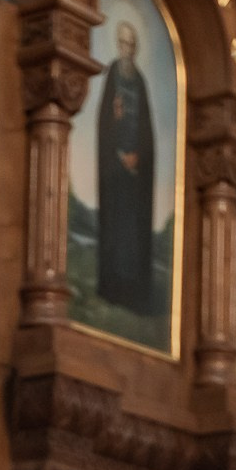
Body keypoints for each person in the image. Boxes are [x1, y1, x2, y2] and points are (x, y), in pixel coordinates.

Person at [94, 19, 157, 314]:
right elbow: (105, 121)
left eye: (130, 45)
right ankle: (112, 287)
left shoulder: (140, 82)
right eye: (122, 44)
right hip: (115, 168)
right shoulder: (112, 77)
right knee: (115, 228)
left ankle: (132, 289)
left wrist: (138, 156)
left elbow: (146, 129)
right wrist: (118, 149)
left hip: (134, 173)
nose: (126, 50)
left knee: (132, 231)